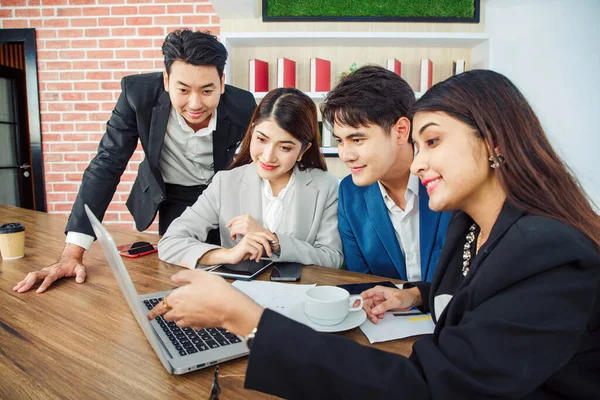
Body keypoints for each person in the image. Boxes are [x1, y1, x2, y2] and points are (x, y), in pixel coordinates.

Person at [148, 70, 600, 399]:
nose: (419, 163)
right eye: (419, 146)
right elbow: (483, 296)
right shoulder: (474, 228)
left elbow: (427, 387)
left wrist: (246, 319)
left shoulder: (547, 251)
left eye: (433, 142)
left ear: (494, 141)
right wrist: (416, 294)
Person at [13, 30, 256, 294]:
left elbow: (254, 165)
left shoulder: (243, 105)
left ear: (222, 82)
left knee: (233, 270)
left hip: (221, 195)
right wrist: (73, 253)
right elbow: (107, 164)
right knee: (177, 270)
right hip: (172, 195)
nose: (195, 104)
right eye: (183, 90)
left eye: (207, 90)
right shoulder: (136, 95)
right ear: (166, 80)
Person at [158, 88, 343, 269]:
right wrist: (229, 254)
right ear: (252, 131)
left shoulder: (326, 186)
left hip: (301, 293)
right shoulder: (225, 183)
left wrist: (273, 240)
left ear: (303, 150)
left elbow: (332, 258)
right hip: (237, 294)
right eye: (261, 139)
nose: (268, 156)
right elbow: (171, 243)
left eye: (285, 147)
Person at [321, 65, 451, 281]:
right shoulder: (349, 194)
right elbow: (361, 282)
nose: (345, 155)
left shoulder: (448, 180)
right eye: (340, 141)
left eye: (357, 139)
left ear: (401, 131)